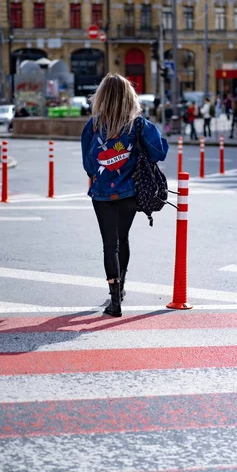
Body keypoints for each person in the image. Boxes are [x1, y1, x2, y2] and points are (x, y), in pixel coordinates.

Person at [81, 73, 168, 318]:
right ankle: (121, 289)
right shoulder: (138, 124)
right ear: (130, 97)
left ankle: (114, 298)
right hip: (130, 191)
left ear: (102, 97)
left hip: (101, 194)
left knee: (110, 245)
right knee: (123, 239)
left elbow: (88, 164)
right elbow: (160, 152)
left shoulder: (94, 125)